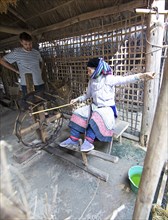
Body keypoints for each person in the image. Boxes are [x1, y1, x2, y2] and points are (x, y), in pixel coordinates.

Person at [60, 57, 155, 152]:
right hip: (94, 107)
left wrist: (142, 75)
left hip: (107, 109)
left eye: (89, 70)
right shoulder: (91, 81)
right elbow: (87, 95)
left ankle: (88, 142)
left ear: (97, 69)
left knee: (95, 118)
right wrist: (76, 100)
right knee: (77, 112)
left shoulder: (108, 79)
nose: (87, 73)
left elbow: (125, 79)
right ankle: (73, 140)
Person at [0, 32, 44, 97]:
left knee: (42, 102)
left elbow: (42, 61)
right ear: (21, 43)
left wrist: (41, 70)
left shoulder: (36, 52)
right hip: (27, 84)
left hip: (39, 82)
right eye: (26, 44)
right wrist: (16, 71)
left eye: (30, 44)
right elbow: (2, 61)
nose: (29, 46)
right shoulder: (17, 52)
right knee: (30, 104)